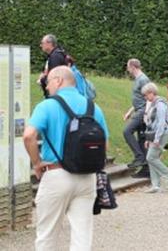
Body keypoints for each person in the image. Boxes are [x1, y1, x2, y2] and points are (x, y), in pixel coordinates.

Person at [23, 66, 109, 250]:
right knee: (82, 235)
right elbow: (105, 144)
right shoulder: (94, 107)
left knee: (47, 235)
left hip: (56, 174)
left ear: (59, 81)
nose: (46, 87)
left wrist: (37, 163)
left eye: (48, 82)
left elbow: (28, 135)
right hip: (87, 178)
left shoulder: (47, 105)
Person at [142, 83, 168, 193]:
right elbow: (152, 123)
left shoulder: (160, 104)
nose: (145, 97)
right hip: (155, 134)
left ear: (152, 93)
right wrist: (148, 139)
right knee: (153, 158)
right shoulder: (154, 104)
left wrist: (157, 139)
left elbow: (161, 123)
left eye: (146, 95)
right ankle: (155, 184)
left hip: (162, 134)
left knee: (151, 157)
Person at [123, 59, 151, 178]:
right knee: (142, 139)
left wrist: (146, 113)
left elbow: (150, 97)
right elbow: (139, 98)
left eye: (128, 67)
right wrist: (130, 111)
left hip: (143, 111)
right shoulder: (138, 79)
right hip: (139, 110)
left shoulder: (143, 79)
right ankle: (146, 170)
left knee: (127, 131)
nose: (127, 69)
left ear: (133, 67)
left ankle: (139, 157)